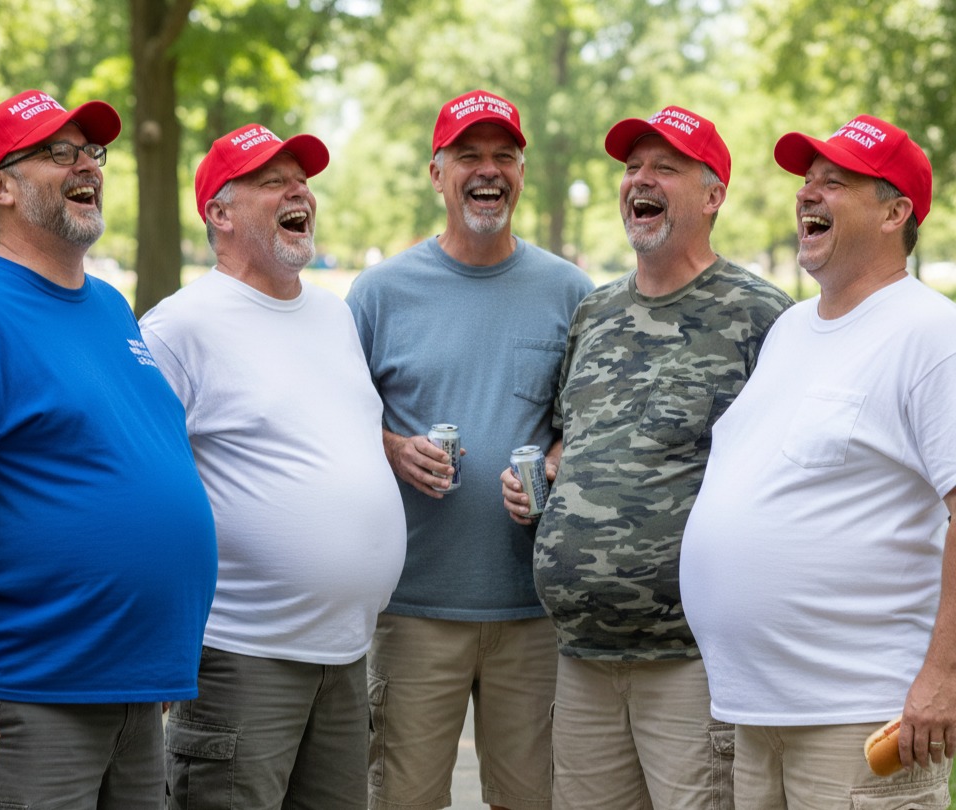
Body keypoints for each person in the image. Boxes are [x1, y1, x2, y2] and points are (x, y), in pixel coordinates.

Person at [0, 89, 217, 809]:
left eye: (92, 151)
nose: (86, 164)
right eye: (59, 152)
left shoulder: (112, 307)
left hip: (133, 691)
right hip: (29, 698)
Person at [503, 105, 792, 810]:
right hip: (581, 660)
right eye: (633, 167)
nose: (641, 179)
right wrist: (544, 480)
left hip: (692, 663)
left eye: (666, 166)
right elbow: (571, 436)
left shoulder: (762, 316)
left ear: (714, 193)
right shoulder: (593, 314)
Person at [680, 115, 956, 808]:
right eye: (807, 182)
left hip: (859, 714)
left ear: (896, 213)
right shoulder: (793, 328)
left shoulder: (930, 332)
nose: (808, 194)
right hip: (759, 715)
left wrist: (944, 676)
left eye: (834, 183)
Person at [139, 122, 407, 810]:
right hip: (240, 658)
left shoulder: (332, 316)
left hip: (347, 657)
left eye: (302, 179)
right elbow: (141, 488)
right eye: (272, 180)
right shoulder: (178, 329)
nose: (299, 191)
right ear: (219, 213)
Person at [345, 89, 593, 810]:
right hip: (414, 608)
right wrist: (390, 446)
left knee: (534, 801)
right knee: (404, 799)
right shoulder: (381, 293)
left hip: (533, 615)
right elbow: (333, 420)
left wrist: (552, 462)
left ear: (522, 170)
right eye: (468, 156)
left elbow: (588, 421)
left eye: (503, 156)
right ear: (436, 172)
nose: (488, 171)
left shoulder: (569, 291)